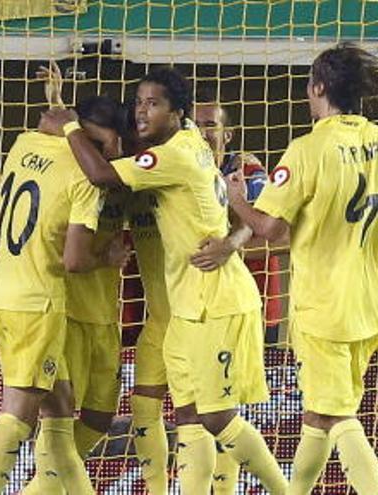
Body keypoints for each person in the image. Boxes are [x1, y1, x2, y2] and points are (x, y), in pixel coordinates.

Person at [41, 67, 288, 493]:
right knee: (184, 415)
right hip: (178, 309)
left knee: (216, 417)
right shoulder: (172, 146)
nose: (142, 113)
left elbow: (101, 174)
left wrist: (67, 126)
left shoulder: (177, 156)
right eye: (138, 104)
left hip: (216, 300)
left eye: (152, 104)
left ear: (178, 112)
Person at [226, 42, 378, 493]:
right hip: (367, 303)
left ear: (318, 87)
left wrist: (238, 202)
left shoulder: (308, 149)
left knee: (338, 417)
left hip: (322, 307)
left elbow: (271, 229)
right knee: (319, 413)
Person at [22, 95, 130, 494]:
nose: (103, 153)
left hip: (105, 314)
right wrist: (105, 257)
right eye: (96, 144)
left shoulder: (123, 174)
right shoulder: (74, 178)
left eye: (107, 144)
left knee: (101, 418)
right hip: (66, 313)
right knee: (58, 424)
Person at [194, 99, 284, 344]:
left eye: (210, 125)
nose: (201, 132)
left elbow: (276, 235)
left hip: (256, 302)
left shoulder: (248, 170)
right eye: (194, 125)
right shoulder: (180, 171)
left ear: (228, 135)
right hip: (201, 307)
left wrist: (227, 249)